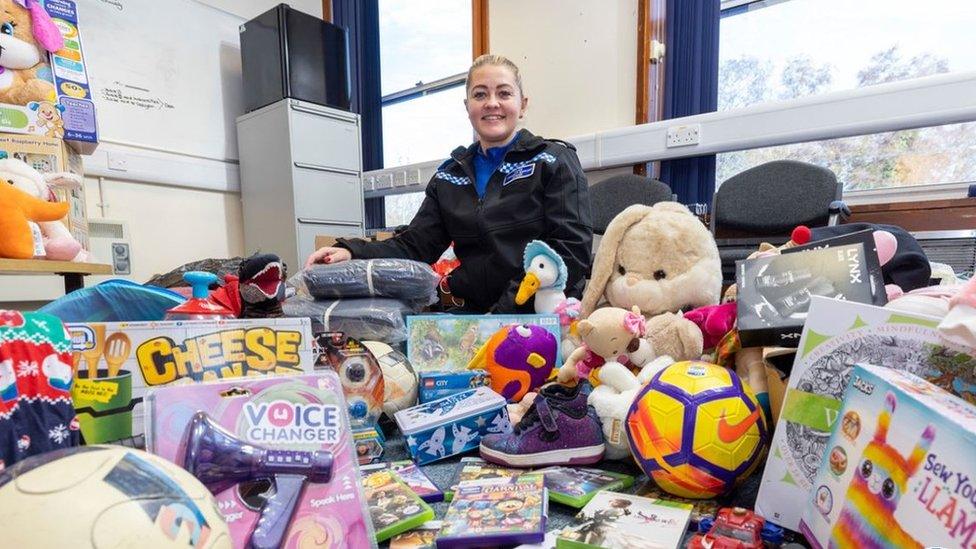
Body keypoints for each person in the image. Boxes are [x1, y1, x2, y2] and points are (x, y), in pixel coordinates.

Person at [305, 54, 593, 313]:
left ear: (522, 105)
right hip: (474, 314)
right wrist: (351, 250)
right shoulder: (449, 175)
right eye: (480, 94)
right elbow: (415, 245)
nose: (492, 103)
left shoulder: (553, 160)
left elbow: (570, 249)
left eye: (504, 93)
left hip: (538, 314)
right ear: (468, 106)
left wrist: (505, 312)